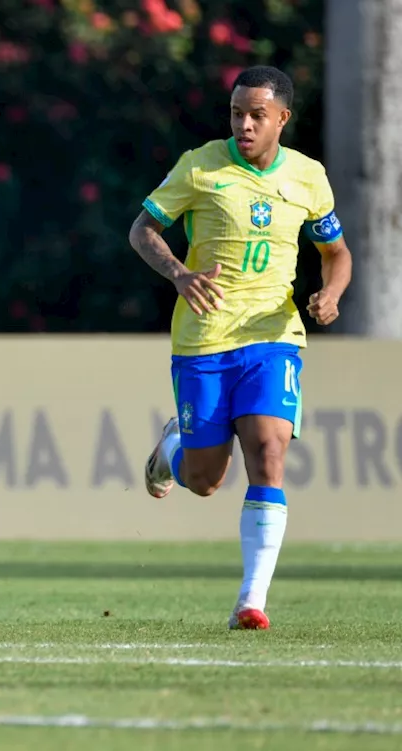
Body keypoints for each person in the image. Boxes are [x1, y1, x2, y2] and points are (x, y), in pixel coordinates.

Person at [130, 65, 352, 630]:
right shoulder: (200, 166)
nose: (245, 124)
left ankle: (250, 602)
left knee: (269, 453)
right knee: (206, 480)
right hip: (204, 338)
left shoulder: (307, 176)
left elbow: (337, 253)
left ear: (283, 118)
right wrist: (180, 274)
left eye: (257, 115)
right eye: (236, 113)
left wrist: (331, 293)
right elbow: (142, 230)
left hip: (273, 337)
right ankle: (172, 448)